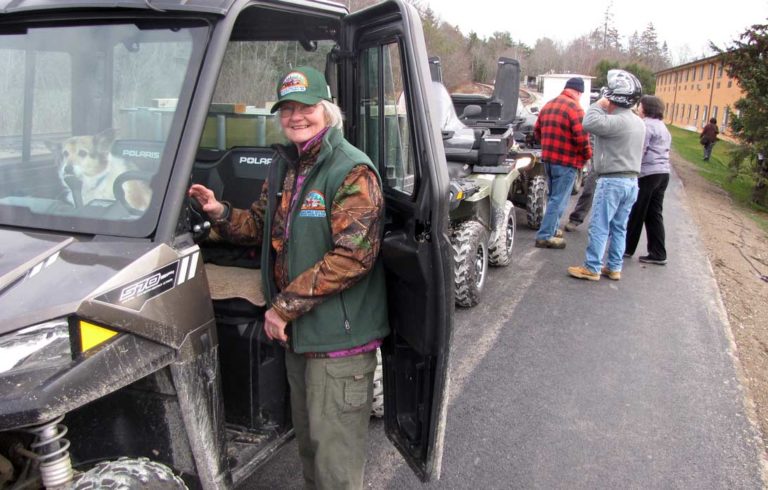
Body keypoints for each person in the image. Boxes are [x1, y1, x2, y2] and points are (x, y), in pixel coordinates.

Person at [189, 66, 388, 489]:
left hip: (339, 344)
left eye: (307, 108)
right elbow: (261, 226)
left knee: (337, 467)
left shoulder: (352, 170)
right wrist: (218, 212)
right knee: (312, 452)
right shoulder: (287, 167)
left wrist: (281, 307)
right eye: (288, 110)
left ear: (327, 110)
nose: (297, 117)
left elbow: (353, 257)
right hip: (302, 337)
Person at [568, 69, 645, 281]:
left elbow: (589, 122)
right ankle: (614, 267)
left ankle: (592, 267)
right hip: (631, 182)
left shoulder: (617, 121)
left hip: (612, 180)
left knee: (600, 225)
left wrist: (599, 103)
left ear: (614, 99)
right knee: (619, 227)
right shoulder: (638, 122)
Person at [532, 77, 592, 249]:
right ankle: (544, 236)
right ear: (579, 92)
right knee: (558, 199)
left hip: (548, 159)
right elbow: (582, 138)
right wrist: (587, 156)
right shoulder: (576, 109)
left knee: (553, 197)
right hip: (566, 162)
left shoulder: (548, 105)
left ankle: (551, 228)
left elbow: (537, 131)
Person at [624, 95, 671, 265]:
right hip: (663, 174)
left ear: (646, 108)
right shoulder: (662, 126)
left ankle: (627, 248)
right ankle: (658, 252)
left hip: (648, 174)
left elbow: (639, 150)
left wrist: (630, 169)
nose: (637, 108)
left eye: (640, 106)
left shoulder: (645, 126)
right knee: (654, 214)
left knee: (637, 211)